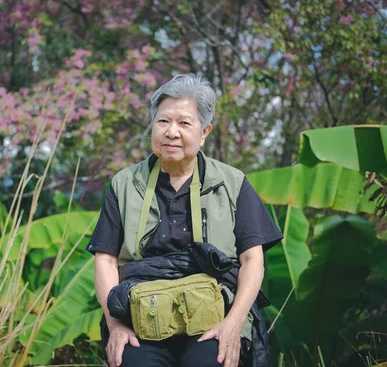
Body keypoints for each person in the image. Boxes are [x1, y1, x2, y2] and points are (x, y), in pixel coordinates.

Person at [86, 73, 282, 367]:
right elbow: (105, 260)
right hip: (140, 319)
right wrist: (116, 327)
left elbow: (252, 260)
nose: (171, 132)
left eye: (184, 123)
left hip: (215, 316)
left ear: (204, 132)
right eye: (163, 121)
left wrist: (233, 324)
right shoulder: (124, 184)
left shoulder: (232, 183)